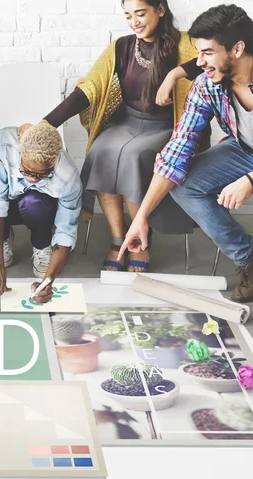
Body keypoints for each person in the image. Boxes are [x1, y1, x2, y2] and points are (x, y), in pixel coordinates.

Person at [23, 0, 208, 273]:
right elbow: (87, 90)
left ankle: (140, 242)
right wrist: (45, 125)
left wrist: (175, 74)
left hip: (167, 126)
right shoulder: (121, 47)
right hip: (127, 123)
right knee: (101, 150)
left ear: (160, 9)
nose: (134, 22)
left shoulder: (186, 43)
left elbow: (211, 58)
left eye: (141, 13)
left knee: (132, 156)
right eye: (128, 16)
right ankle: (118, 239)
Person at [120, 4, 253, 303]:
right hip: (244, 149)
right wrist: (141, 217)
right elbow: (178, 148)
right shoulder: (207, 86)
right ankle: (249, 259)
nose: (199, 62)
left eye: (207, 52)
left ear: (237, 49)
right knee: (185, 184)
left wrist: (250, 180)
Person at [0, 122, 82, 302]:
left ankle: (42, 243)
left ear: (54, 161)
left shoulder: (69, 179)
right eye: (26, 170)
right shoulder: (5, 142)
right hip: (9, 199)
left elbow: (65, 232)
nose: (32, 179)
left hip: (39, 208)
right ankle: (4, 237)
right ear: (20, 152)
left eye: (42, 174)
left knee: (33, 202)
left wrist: (47, 282)